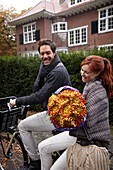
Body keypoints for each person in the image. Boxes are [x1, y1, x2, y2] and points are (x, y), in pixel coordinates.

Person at [38, 55, 113, 170]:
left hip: (90, 141)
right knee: (43, 147)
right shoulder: (90, 85)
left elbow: (88, 123)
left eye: (86, 72)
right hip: (79, 135)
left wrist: (65, 121)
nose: (82, 73)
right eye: (82, 70)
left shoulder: (97, 92)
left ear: (97, 73)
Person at [9, 39, 72, 170]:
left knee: (23, 126)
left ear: (54, 52)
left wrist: (17, 101)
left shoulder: (57, 72)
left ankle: (35, 162)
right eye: (42, 54)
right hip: (55, 112)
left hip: (59, 116)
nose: (45, 56)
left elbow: (39, 96)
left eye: (48, 53)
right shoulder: (48, 67)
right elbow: (36, 89)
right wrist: (41, 73)